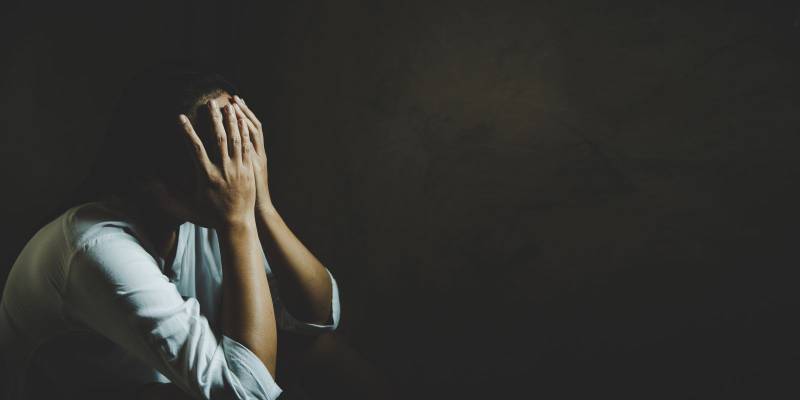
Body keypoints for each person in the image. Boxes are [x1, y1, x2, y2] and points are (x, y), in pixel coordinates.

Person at [0, 66, 374, 399]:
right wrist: (239, 219)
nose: (234, 167)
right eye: (214, 151)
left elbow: (317, 318)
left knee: (316, 350)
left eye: (238, 142)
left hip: (156, 384)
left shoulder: (208, 215)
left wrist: (263, 206)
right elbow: (247, 393)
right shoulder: (97, 247)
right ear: (151, 175)